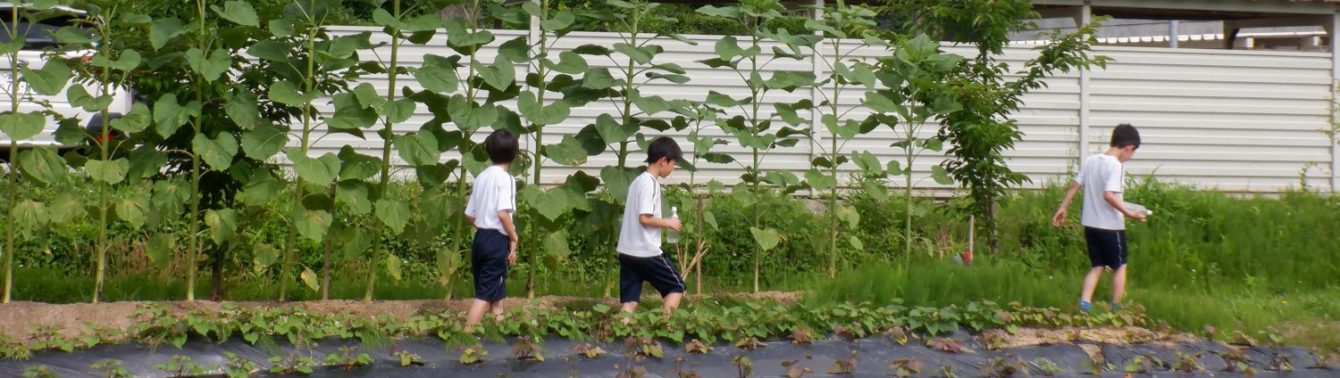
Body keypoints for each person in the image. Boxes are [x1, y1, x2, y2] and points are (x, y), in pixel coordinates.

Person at [1051, 123, 1147, 312]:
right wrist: (1130, 214)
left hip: (1090, 224)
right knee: (1120, 266)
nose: (1131, 156)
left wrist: (1063, 207)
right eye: (1133, 152)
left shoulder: (1091, 160)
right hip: (1111, 226)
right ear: (1128, 147)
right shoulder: (1116, 166)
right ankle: (1116, 308)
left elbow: (1075, 185)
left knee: (1098, 266)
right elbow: (1109, 195)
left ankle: (1085, 305)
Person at [616, 136, 686, 317]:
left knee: (630, 300)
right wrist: (668, 222)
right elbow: (645, 218)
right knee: (676, 286)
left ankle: (617, 332)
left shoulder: (637, 182)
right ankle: (665, 326)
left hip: (627, 251)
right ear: (663, 160)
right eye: (673, 164)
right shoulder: (650, 183)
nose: (673, 169)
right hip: (645, 252)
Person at [463, 129, 520, 327]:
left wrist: (484, 226)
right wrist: (514, 237)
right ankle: (465, 337)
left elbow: (469, 214)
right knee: (484, 295)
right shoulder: (506, 179)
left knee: (496, 295)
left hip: (480, 238)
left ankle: (499, 333)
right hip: (496, 241)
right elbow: (502, 213)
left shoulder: (482, 177)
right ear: (515, 153)